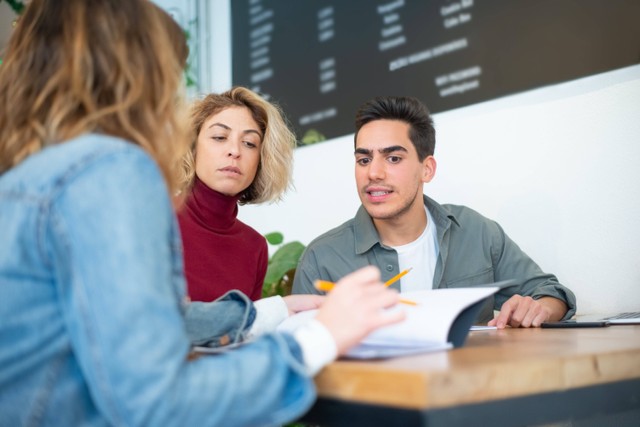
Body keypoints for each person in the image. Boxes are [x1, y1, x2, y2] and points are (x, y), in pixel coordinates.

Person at [0, 2, 404, 426]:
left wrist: (274, 310)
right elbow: (155, 403)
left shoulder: (26, 180)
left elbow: (136, 324)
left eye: (249, 143)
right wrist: (321, 338)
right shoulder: (109, 171)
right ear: (136, 75)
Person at [292, 95, 577, 328]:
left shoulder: (476, 232)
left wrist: (537, 309)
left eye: (393, 158)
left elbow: (552, 294)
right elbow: (302, 353)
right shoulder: (322, 258)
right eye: (364, 159)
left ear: (426, 169)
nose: (374, 173)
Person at [177, 87, 294, 302]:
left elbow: (248, 332)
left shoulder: (255, 247)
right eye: (220, 137)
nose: (235, 151)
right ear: (191, 147)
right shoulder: (156, 219)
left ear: (261, 160)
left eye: (249, 143)